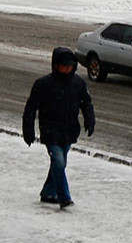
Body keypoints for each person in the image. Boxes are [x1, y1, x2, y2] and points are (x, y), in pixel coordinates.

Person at [22, 47, 95, 210]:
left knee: (59, 163)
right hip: (50, 131)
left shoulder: (78, 83)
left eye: (70, 66)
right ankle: (64, 198)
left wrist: (90, 121)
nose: (67, 69)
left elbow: (86, 104)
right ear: (56, 65)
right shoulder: (43, 84)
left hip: (69, 131)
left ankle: (48, 192)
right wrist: (28, 131)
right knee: (59, 162)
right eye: (64, 66)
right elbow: (31, 108)